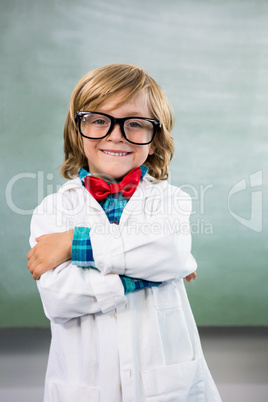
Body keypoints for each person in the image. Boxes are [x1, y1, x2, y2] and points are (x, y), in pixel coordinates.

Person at [27, 63, 221, 402]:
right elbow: (60, 299)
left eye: (135, 123)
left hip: (166, 383)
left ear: (155, 138)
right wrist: (152, 275)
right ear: (77, 130)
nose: (115, 135)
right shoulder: (52, 211)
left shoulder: (170, 199)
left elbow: (170, 253)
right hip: (85, 386)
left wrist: (75, 243)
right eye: (99, 120)